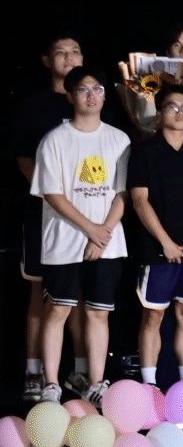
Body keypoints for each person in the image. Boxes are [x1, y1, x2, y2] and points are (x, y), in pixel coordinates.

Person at [30, 67, 130, 404]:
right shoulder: (54, 140)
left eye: (97, 89)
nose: (91, 96)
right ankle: (51, 383)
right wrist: (91, 230)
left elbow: (123, 193)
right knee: (58, 310)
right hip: (65, 242)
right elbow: (52, 193)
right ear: (71, 95)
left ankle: (96, 383)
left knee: (98, 313)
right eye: (84, 90)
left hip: (108, 244)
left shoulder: (119, 139)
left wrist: (103, 234)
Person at [125, 83, 183, 387]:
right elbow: (139, 201)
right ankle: (149, 386)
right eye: (172, 106)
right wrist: (165, 243)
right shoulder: (145, 152)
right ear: (159, 113)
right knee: (153, 316)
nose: (180, 112)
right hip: (156, 249)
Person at [17, 36, 84, 400]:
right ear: (46, 60)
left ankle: (80, 371)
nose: (69, 57)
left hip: (86, 217)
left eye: (75, 52)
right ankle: (33, 371)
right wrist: (53, 196)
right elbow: (24, 159)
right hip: (43, 214)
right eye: (60, 52)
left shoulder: (92, 103)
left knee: (79, 292)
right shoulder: (34, 105)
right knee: (39, 292)